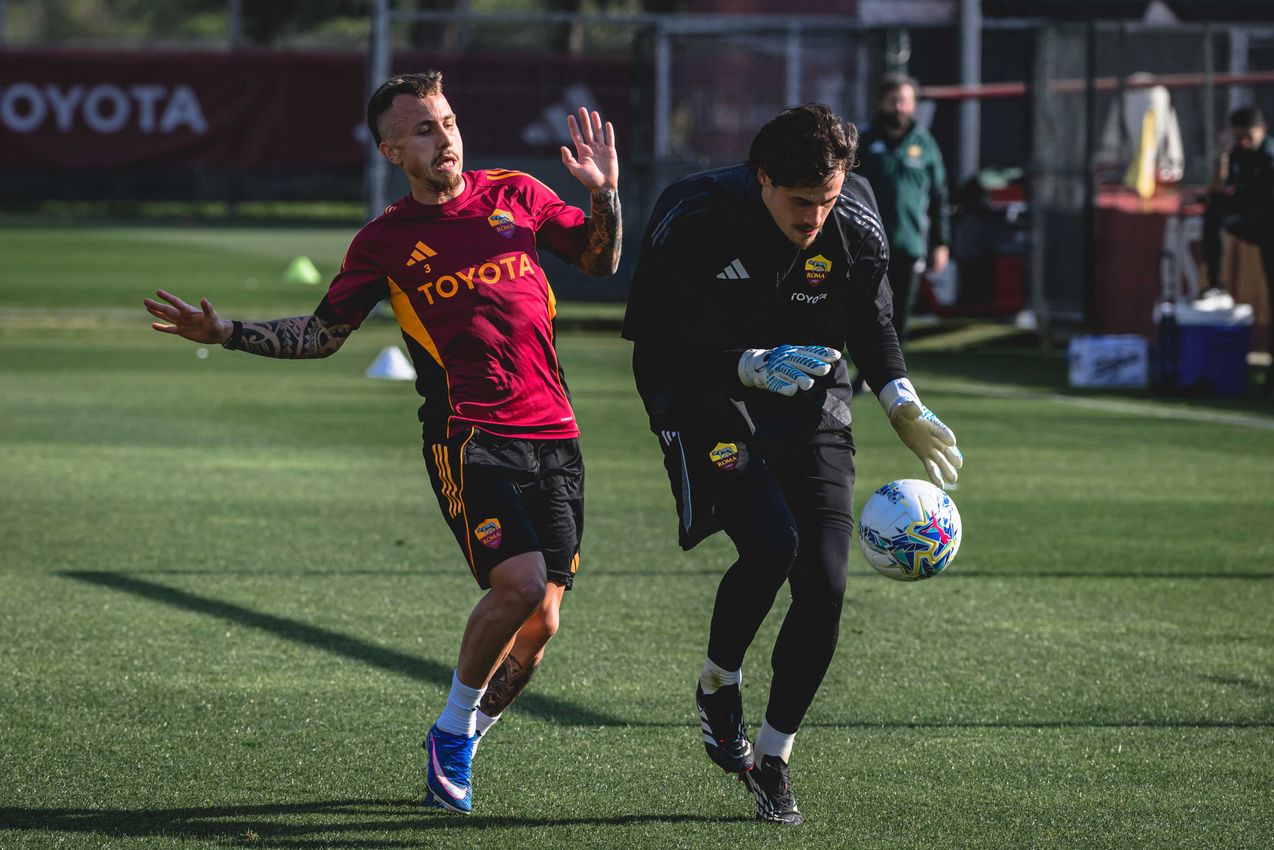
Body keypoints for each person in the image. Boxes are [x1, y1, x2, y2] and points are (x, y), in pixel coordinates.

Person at [143, 70, 621, 815]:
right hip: (468, 435)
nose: (445, 138)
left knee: (544, 621)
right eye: (425, 129)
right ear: (392, 150)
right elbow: (320, 335)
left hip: (555, 432)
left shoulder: (516, 195)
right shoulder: (385, 241)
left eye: (450, 121)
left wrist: (604, 193)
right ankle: (454, 731)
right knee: (520, 585)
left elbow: (600, 259)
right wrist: (227, 333)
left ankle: (458, 739)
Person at [621, 103, 962, 825]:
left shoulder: (856, 221)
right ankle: (720, 683)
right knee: (774, 543)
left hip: (811, 397)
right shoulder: (692, 214)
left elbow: (872, 320)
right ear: (762, 177)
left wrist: (902, 400)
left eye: (828, 200)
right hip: (706, 395)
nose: (815, 217)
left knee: (827, 583)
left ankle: (773, 759)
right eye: (800, 202)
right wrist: (745, 364)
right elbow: (653, 344)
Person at [854, 74, 951, 349]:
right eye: (893, 101)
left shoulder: (924, 143)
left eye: (905, 101)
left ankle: (890, 376)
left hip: (909, 243)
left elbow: (939, 196)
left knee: (898, 315)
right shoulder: (864, 140)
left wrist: (941, 242)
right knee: (867, 309)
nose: (899, 107)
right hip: (868, 243)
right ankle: (863, 366)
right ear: (882, 103)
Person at [1202, 105, 1274, 387]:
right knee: (1215, 211)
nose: (1243, 143)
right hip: (1251, 219)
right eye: (1238, 137)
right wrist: (1221, 154)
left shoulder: (1269, 154)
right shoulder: (1237, 154)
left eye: (1248, 138)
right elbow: (1217, 190)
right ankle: (1215, 284)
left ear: (1262, 131)